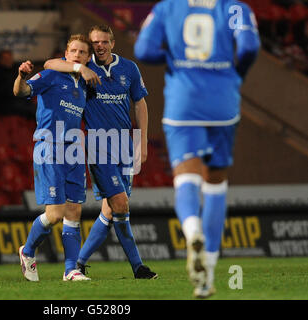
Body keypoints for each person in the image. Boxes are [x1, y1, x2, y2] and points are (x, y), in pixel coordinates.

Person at [134, 0, 260, 298]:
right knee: (215, 183)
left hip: (184, 99)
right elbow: (249, 47)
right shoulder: (235, 8)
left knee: (185, 177)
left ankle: (192, 233)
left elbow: (143, 51)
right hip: (222, 101)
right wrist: (235, 74)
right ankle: (208, 277)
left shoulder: (168, 7)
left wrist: (174, 56)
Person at [44, 25, 157, 280]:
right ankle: (138, 267)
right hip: (99, 145)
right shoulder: (85, 65)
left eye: (104, 42)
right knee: (120, 203)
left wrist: (142, 141)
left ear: (112, 43)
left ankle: (79, 263)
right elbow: (50, 64)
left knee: (110, 210)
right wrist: (79, 68)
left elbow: (140, 103)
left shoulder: (129, 68)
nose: (100, 46)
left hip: (125, 145)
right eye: (95, 42)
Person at [14, 34, 92, 281]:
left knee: (74, 211)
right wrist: (21, 76)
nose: (77, 55)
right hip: (50, 144)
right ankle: (27, 251)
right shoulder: (52, 74)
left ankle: (71, 270)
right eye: (73, 51)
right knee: (55, 214)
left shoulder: (85, 83)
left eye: (82, 52)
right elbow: (22, 91)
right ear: (66, 53)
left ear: (88, 58)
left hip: (74, 149)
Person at [0, 49, 36, 118]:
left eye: (10, 58)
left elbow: (25, 86)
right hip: (5, 103)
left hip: (21, 100)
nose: (8, 60)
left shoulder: (17, 70)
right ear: (0, 60)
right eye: (5, 59)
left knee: (38, 108)